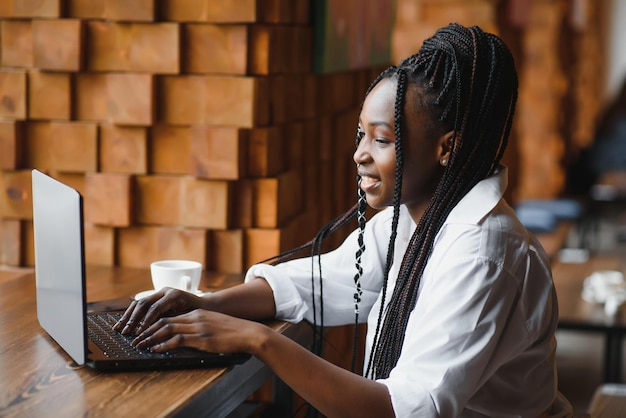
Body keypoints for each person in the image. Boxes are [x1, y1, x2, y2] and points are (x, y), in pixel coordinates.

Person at [114, 23, 572, 417]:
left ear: (446, 148)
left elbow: (403, 410)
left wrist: (258, 340)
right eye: (361, 136)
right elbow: (316, 283)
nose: (359, 155)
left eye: (383, 139)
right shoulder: (410, 221)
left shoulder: (482, 253)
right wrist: (204, 304)